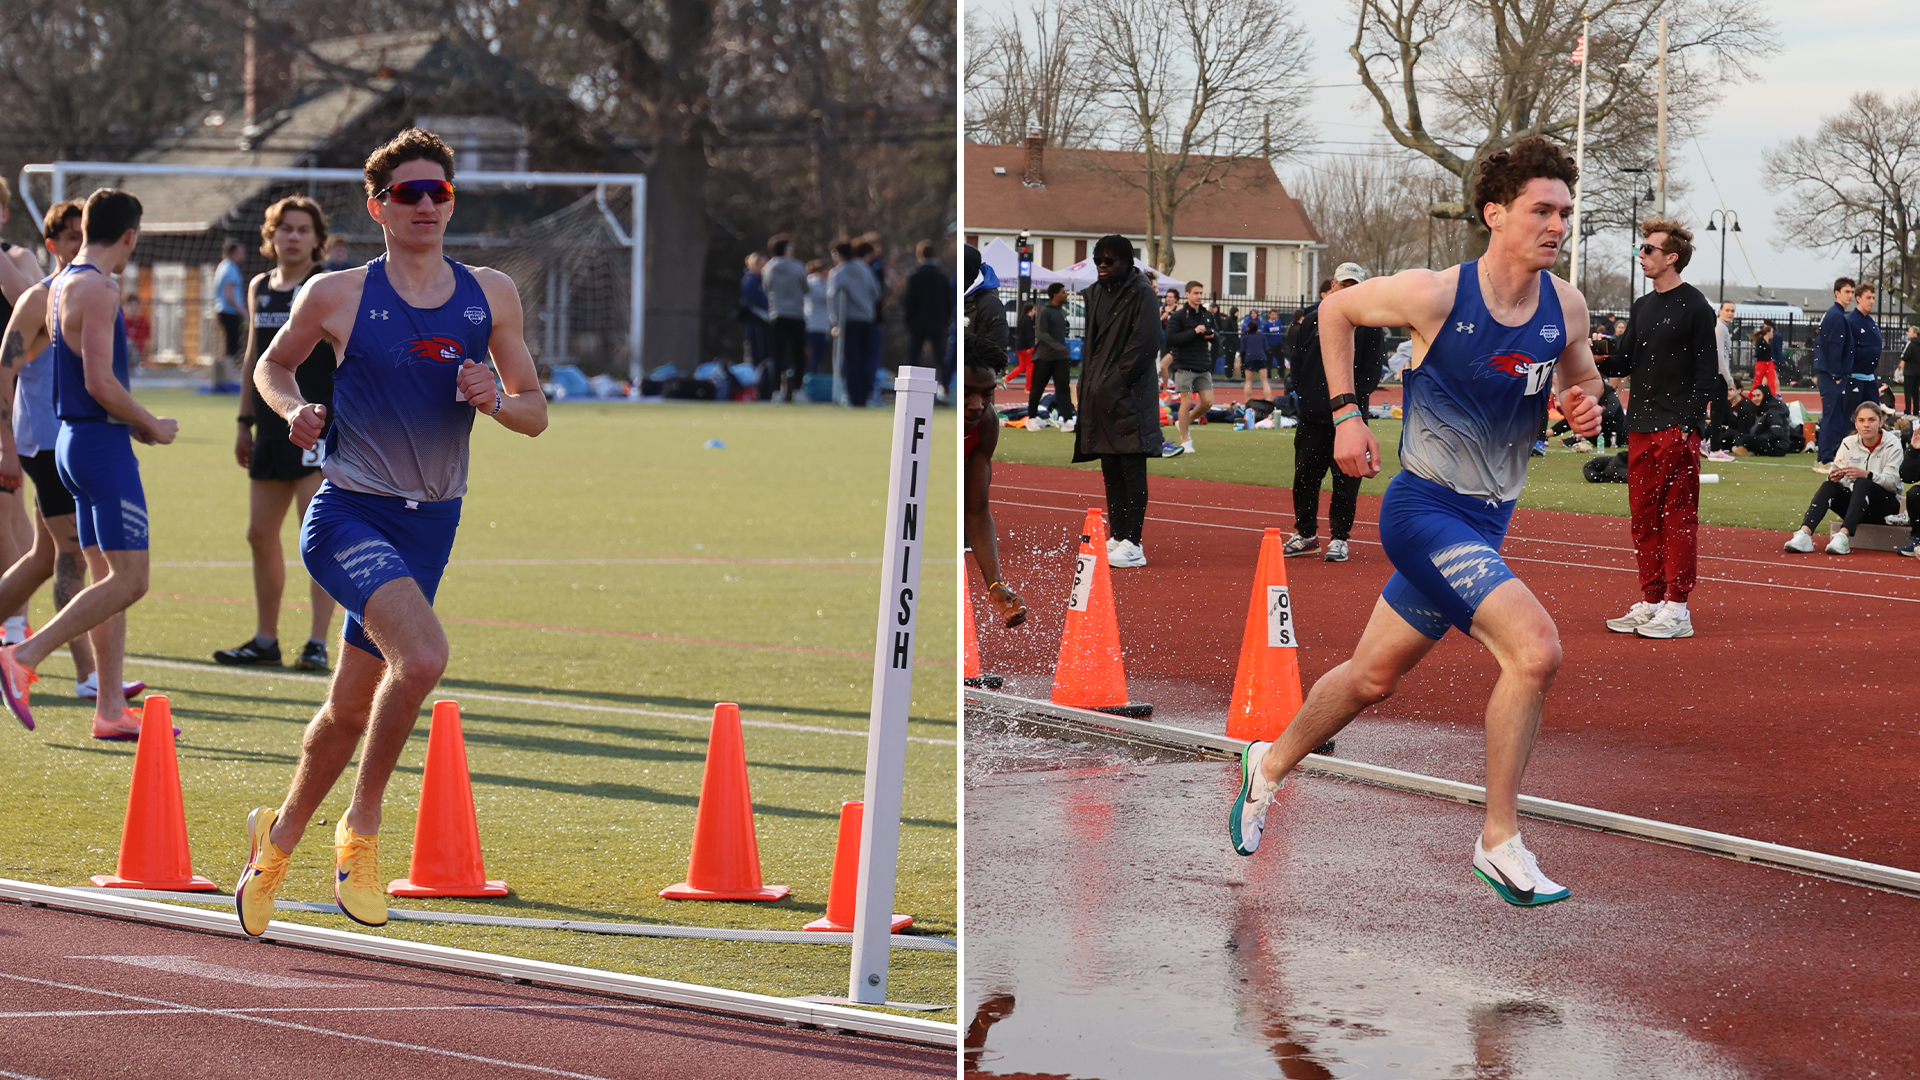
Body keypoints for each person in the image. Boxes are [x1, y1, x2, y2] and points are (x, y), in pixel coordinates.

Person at [1228, 136, 1602, 909]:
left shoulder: (1565, 305)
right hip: (1423, 509)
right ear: (1495, 214)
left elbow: (1582, 377)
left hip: (1487, 522)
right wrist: (1345, 416)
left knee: (1372, 676)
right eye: (1542, 209)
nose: (1557, 224)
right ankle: (1499, 841)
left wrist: (1584, 404)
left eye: (1565, 211)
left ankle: (1264, 766)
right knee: (1534, 651)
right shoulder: (1436, 294)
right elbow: (1335, 310)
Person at [230, 129, 548, 936]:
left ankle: (278, 840)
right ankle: (361, 831)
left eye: (438, 192)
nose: (426, 206)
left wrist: (493, 397)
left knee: (346, 709)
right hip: (349, 511)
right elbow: (273, 365)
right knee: (426, 657)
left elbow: (534, 413)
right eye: (408, 193)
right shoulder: (336, 294)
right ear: (377, 206)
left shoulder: (491, 294)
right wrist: (292, 408)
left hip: (432, 525)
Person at [0, 188, 179, 739]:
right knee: (130, 580)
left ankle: (107, 709)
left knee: (102, 574)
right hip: (97, 447)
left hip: (75, 443)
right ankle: (23, 655)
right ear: (130, 235)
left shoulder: (56, 286)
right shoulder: (99, 287)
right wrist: (148, 422)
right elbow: (99, 382)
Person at [218, 195, 339, 673]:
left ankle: (317, 642)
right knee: (259, 535)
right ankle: (266, 639)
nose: (292, 236)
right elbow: (253, 357)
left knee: (319, 538)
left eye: (302, 229)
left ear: (317, 239)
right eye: (284, 228)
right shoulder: (259, 287)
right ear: (271, 236)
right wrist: (244, 422)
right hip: (270, 428)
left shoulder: (327, 286)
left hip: (314, 428)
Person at [1596, 219, 1717, 641]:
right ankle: (1651, 601)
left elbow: (1708, 377)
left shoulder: (1697, 307)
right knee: (1643, 517)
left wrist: (1688, 425)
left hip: (1675, 428)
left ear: (1672, 257)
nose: (1641, 255)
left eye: (1648, 249)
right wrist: (1592, 355)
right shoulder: (1642, 306)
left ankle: (1678, 608)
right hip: (1640, 426)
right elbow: (1625, 364)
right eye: (1640, 249)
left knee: (1677, 517)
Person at [1073, 235, 1164, 569]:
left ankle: (1133, 541)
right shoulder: (1096, 293)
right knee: (1110, 467)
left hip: (1130, 396)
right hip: (1100, 394)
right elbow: (1092, 346)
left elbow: (1144, 344)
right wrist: (1090, 384)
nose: (1102, 266)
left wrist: (1115, 382)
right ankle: (1118, 534)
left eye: (1109, 261)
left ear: (1127, 262)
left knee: (1131, 466)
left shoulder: (1142, 293)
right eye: (1098, 260)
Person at [1284, 262, 1382, 563]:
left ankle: (1339, 538)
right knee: (1305, 478)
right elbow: (1297, 364)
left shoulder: (1371, 326)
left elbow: (1370, 373)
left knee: (1346, 482)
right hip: (1314, 417)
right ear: (1333, 288)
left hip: (1350, 421)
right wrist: (1309, 394)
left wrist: (1350, 403)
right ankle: (1306, 533)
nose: (1347, 291)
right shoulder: (1312, 322)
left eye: (1354, 286)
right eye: (1343, 285)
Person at [961, 268, 1027, 632]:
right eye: (969, 392)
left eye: (987, 395)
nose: (977, 405)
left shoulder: (985, 425)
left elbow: (976, 510)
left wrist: (994, 583)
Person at [1784, 401, 1901, 556]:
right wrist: (1835, 476)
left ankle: (1844, 535)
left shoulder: (1893, 444)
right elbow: (1838, 476)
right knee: (1829, 485)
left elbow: (1893, 482)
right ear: (1855, 423)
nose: (1866, 425)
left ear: (1881, 422)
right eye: (1861, 420)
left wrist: (1868, 474)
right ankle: (1804, 534)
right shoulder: (1848, 443)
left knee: (1863, 482)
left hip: (1884, 508)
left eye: (1871, 420)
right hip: (1856, 504)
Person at [1164, 280, 1219, 456]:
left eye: (1201, 293)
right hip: (1184, 364)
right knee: (1186, 401)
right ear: (1187, 294)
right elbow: (1171, 338)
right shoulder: (1178, 316)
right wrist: (1194, 332)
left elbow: (1217, 336)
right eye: (1195, 293)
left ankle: (1184, 422)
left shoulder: (1207, 314)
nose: (1199, 296)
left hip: (1203, 364)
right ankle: (1185, 440)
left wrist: (1211, 335)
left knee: (1208, 402)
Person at [827, 239, 879, 407]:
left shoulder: (837, 273)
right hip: (867, 319)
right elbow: (876, 292)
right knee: (866, 359)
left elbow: (832, 298)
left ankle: (853, 396)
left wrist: (835, 322)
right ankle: (865, 395)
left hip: (849, 320)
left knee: (852, 360)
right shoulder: (865, 269)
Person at [1813, 277, 1857, 465]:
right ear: (1837, 293)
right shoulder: (1836, 315)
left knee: (1835, 417)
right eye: (1847, 292)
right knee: (1832, 418)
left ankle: (1828, 456)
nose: (1851, 296)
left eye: (1852, 292)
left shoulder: (1835, 314)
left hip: (1829, 374)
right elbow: (1833, 346)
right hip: (1831, 376)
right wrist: (1836, 374)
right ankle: (1825, 459)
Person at [762, 235, 808, 403]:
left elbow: (766, 288)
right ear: (787, 249)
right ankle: (797, 390)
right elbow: (805, 287)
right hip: (796, 314)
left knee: (776, 355)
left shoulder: (768, 267)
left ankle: (776, 391)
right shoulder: (798, 266)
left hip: (777, 314)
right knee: (798, 356)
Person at [1029, 282, 1075, 433]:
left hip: (1060, 358)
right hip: (1044, 357)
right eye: (1063, 292)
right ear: (1055, 294)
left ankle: (1067, 420)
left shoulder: (1061, 312)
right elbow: (1041, 333)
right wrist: (1059, 347)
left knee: (1063, 388)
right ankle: (1031, 418)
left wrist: (1061, 349)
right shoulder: (1044, 311)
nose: (1065, 294)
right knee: (1037, 388)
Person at [903, 240, 952, 381]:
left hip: (917, 322)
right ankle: (945, 387)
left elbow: (908, 301)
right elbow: (948, 302)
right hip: (937, 322)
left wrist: (908, 320)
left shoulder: (914, 277)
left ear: (919, 255)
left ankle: (909, 385)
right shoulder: (942, 277)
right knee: (940, 358)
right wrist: (945, 320)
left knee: (913, 356)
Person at [214, 239, 248, 390]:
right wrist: (242, 310)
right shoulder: (230, 268)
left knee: (228, 344)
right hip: (229, 311)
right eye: (241, 252)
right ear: (233, 253)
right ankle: (228, 379)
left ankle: (222, 378)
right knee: (231, 345)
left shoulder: (223, 266)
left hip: (223, 311)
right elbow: (229, 293)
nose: (244, 255)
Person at [1850, 284, 1883, 426]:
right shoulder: (1851, 321)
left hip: (1869, 378)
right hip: (1855, 377)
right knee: (1854, 417)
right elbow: (1849, 349)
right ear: (1858, 298)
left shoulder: (1871, 323)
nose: (1872, 301)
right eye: (1868, 297)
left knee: (1874, 414)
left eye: (1873, 298)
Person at [738, 251, 770, 392]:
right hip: (756, 322)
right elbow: (753, 302)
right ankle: (756, 386)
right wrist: (766, 314)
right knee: (756, 353)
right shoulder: (750, 281)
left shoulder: (765, 281)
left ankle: (766, 384)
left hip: (765, 323)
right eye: (759, 263)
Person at [803, 258, 831, 384]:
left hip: (823, 326)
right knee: (812, 356)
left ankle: (813, 379)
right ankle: (808, 381)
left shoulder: (826, 284)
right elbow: (825, 297)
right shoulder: (812, 283)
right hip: (812, 325)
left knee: (819, 356)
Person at [1240, 308, 1272, 399]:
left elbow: (1242, 350)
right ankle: (1268, 400)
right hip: (1261, 357)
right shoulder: (1262, 337)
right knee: (1264, 381)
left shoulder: (1244, 337)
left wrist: (1243, 362)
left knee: (1249, 381)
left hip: (1249, 358)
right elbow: (1266, 348)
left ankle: (1247, 401)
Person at [1753, 320, 1782, 397]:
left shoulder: (1774, 337)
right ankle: (1756, 394)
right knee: (1760, 380)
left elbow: (1778, 349)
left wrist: (1780, 359)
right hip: (1763, 362)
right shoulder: (1762, 340)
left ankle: (1773, 394)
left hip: (1770, 361)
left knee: (1772, 379)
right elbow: (1760, 350)